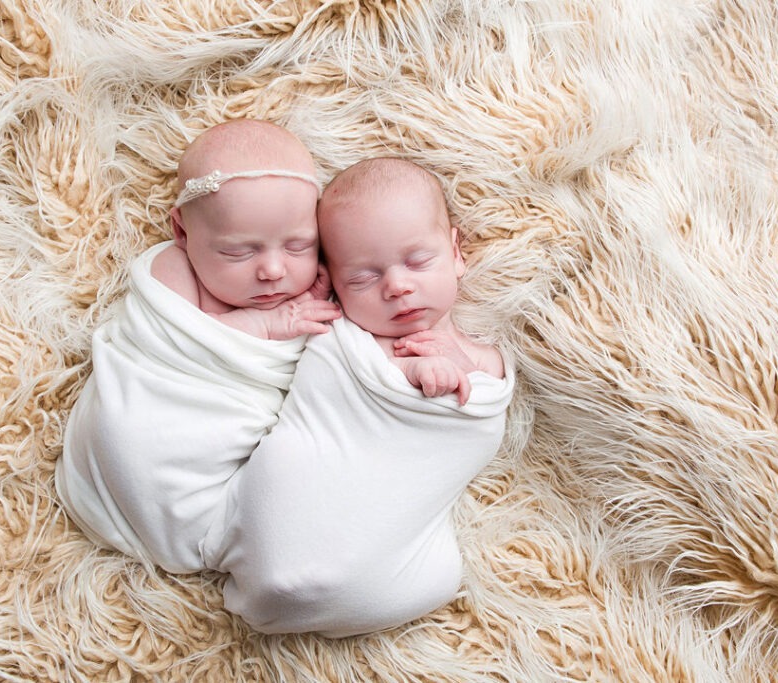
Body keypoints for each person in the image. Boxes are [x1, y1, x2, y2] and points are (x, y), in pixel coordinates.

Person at [201, 157, 517, 637]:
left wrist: (462, 363)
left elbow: (488, 389)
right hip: (281, 517)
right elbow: (228, 344)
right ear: (332, 282)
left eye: (417, 261)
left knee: (442, 576)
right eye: (362, 279)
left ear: (456, 251)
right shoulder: (341, 334)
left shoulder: (478, 353)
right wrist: (409, 367)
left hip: (386, 578)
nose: (397, 286)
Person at [55, 119, 340, 574]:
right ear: (184, 233)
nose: (271, 269)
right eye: (238, 252)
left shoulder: (316, 295)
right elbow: (185, 343)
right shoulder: (172, 271)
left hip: (214, 466)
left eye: (299, 246)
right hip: (141, 427)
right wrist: (263, 324)